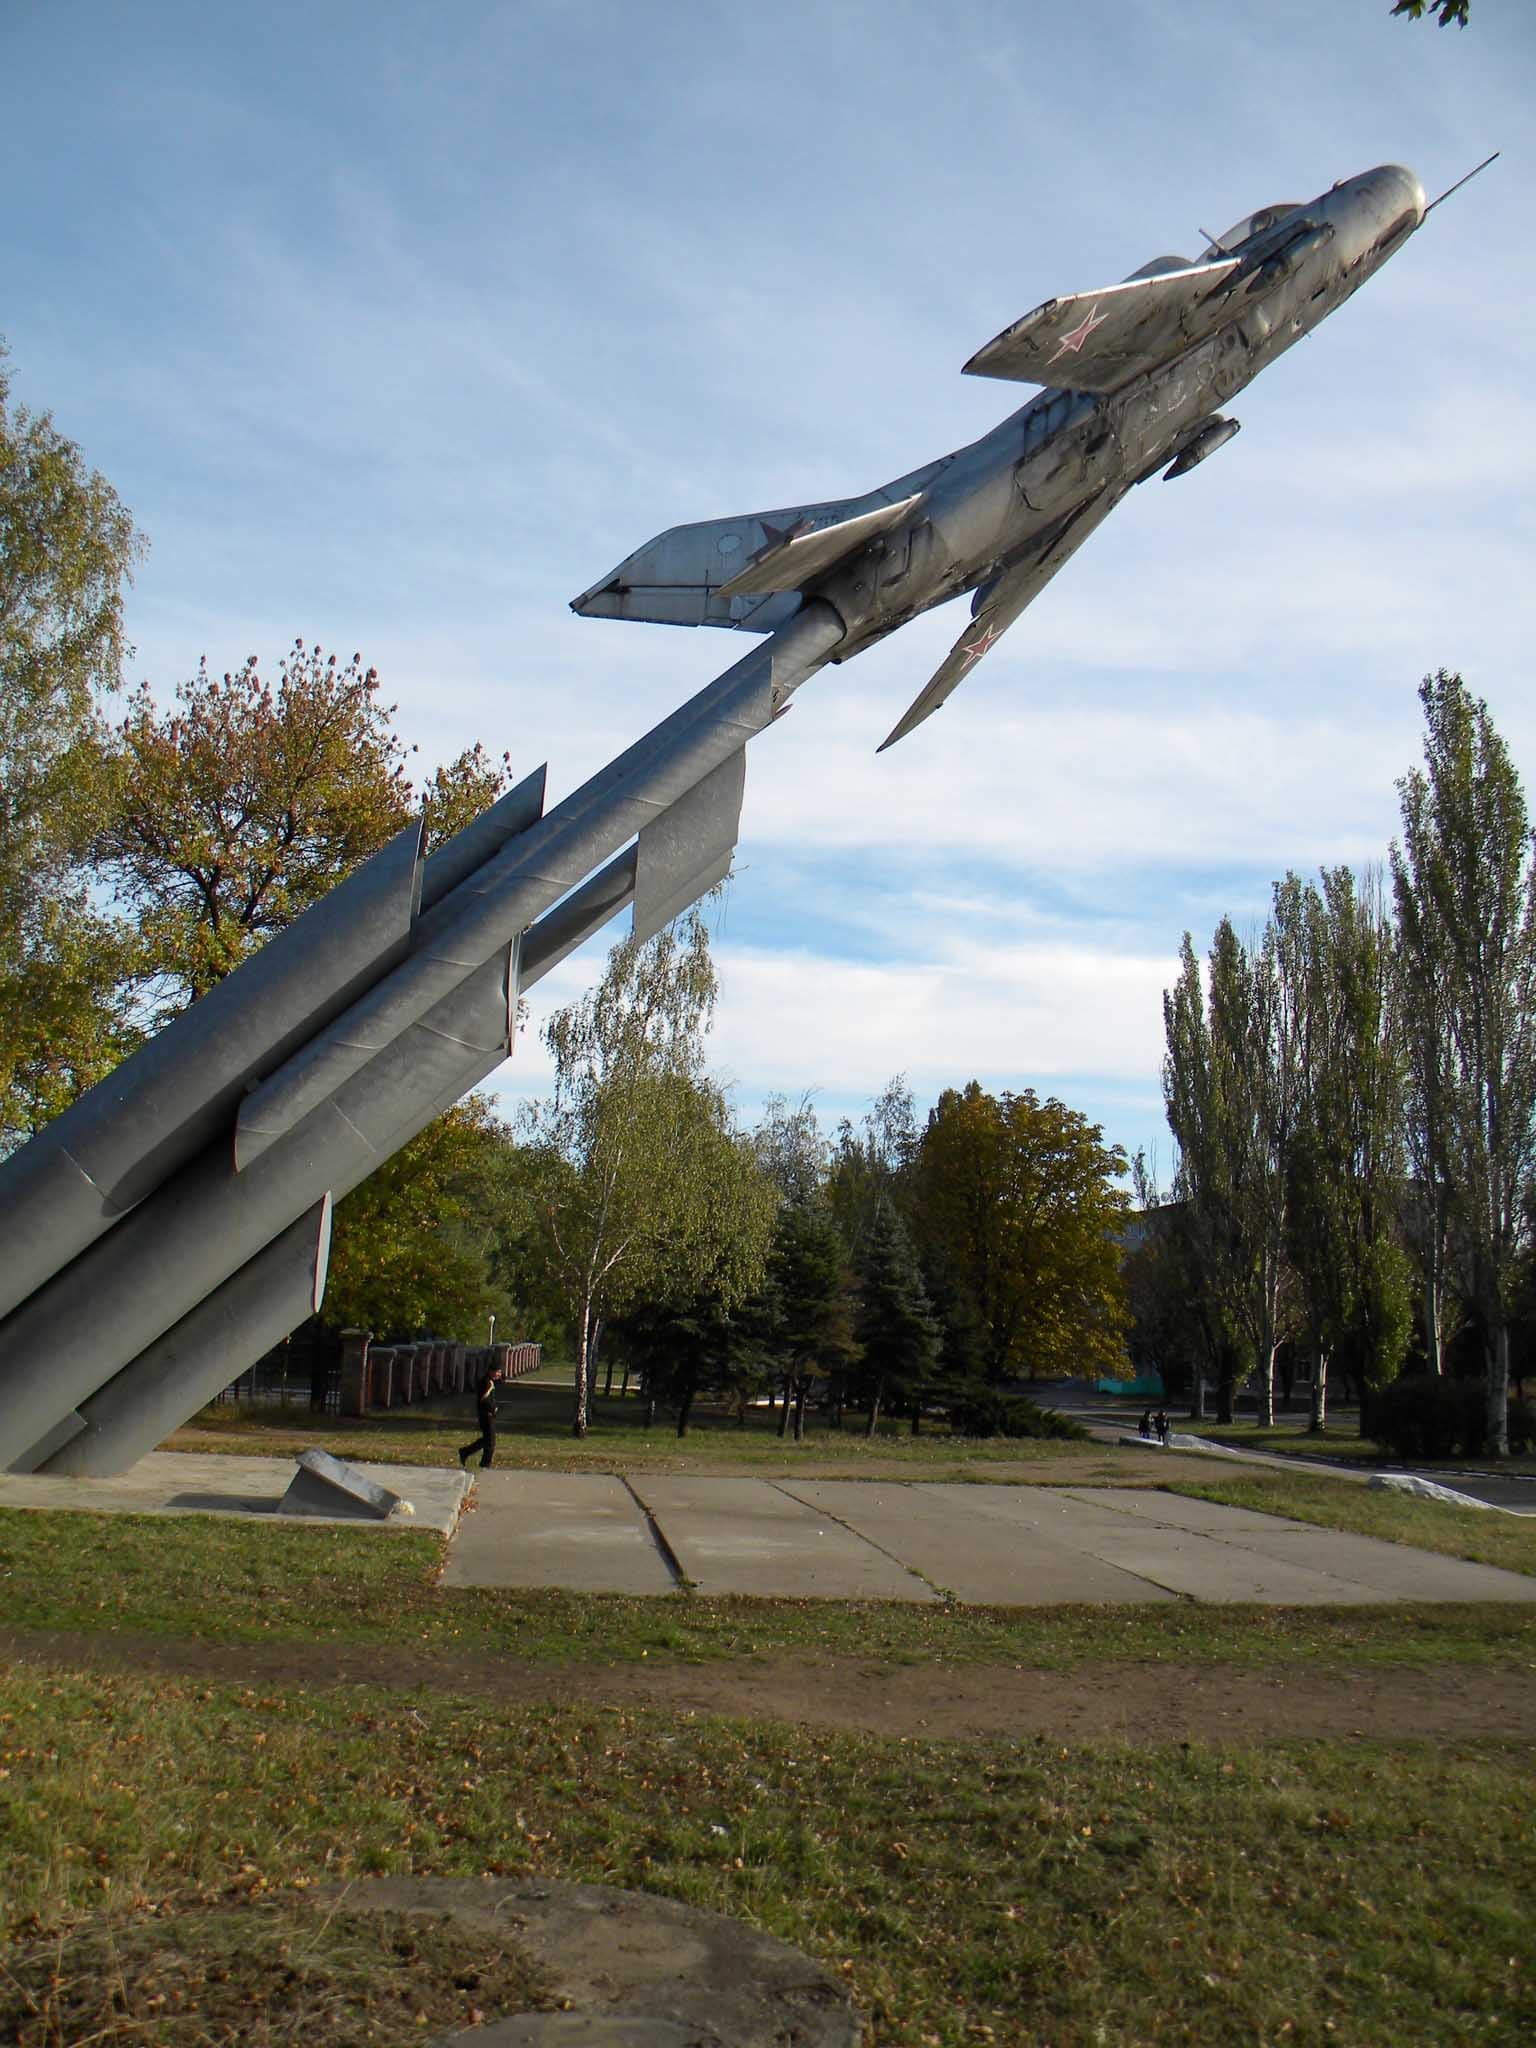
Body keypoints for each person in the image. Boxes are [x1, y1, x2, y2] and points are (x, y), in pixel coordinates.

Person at [459, 1360, 503, 1470]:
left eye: (500, 1372)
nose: (499, 1374)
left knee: (486, 1440)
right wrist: (493, 1408)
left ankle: (465, 1452)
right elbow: (483, 1400)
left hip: (488, 1415)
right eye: (497, 1372)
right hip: (486, 1415)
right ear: (491, 1371)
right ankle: (485, 1464)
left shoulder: (489, 1380)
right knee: (491, 1442)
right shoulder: (486, 1382)